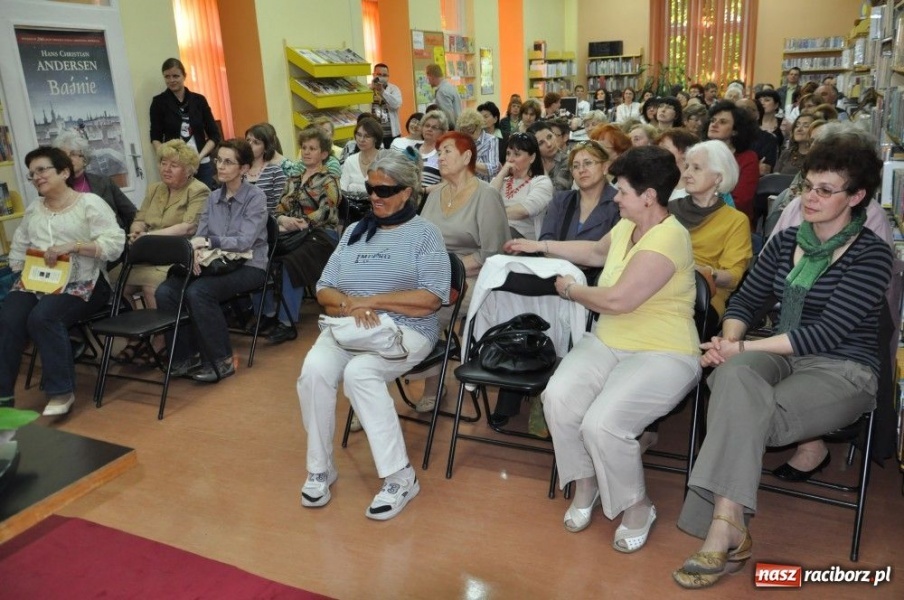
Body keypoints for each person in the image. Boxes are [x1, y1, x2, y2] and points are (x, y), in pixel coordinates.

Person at [672, 131, 892, 590]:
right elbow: (744, 302)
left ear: (857, 197)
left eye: (825, 190)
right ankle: (728, 522)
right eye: (807, 186)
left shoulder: (873, 254)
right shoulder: (786, 238)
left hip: (842, 367)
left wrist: (740, 349)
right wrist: (727, 338)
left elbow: (827, 332)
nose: (810, 197)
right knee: (734, 379)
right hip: (778, 351)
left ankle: (722, 524)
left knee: (740, 401)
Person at [505, 146, 701, 553]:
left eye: (623, 191)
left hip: (663, 352)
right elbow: (595, 251)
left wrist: (571, 290)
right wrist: (540, 247)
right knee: (558, 398)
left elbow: (617, 301)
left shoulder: (669, 237)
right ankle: (586, 483)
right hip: (611, 341)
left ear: (649, 196)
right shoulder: (629, 226)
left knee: (603, 423)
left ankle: (637, 506)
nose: (615, 198)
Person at [297, 151, 450, 520]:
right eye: (370, 188)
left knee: (359, 374)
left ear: (408, 192)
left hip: (406, 330)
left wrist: (375, 301)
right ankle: (320, 468)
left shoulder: (425, 234)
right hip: (350, 326)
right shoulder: (355, 231)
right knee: (314, 372)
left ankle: (400, 477)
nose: (375, 196)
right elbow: (324, 289)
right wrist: (352, 305)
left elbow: (431, 299)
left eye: (385, 189)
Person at [0, 147, 125, 415]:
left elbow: (114, 244)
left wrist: (75, 246)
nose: (36, 177)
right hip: (39, 281)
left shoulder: (89, 203)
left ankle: (61, 392)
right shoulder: (35, 208)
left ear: (64, 172)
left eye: (42, 169)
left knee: (43, 317)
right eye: (32, 173)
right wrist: (25, 269)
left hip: (85, 282)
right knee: (9, 315)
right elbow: (20, 246)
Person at [155, 140, 268, 383]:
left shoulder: (255, 198)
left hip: (250, 265)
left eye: (229, 162)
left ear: (244, 168)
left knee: (199, 292)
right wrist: (195, 252)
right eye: (219, 160)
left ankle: (221, 359)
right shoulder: (213, 197)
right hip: (215, 263)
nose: (221, 166)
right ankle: (186, 356)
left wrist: (209, 243)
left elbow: (244, 241)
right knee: (166, 291)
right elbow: (200, 235)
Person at [415, 131, 510, 412]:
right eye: (439, 152)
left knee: (426, 310)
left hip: (472, 277)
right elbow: (420, 239)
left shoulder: (486, 195)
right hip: (432, 275)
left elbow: (492, 253)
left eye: (447, 151)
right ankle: (374, 385)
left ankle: (431, 383)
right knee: (393, 304)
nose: (440, 157)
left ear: (467, 156)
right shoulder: (435, 196)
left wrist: (445, 269)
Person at [113, 140, 210, 362]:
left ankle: (161, 340)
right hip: (148, 255)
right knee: (117, 283)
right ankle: (138, 338)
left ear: (188, 170)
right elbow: (140, 218)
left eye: (173, 165)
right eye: (163, 163)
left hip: (177, 255)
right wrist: (137, 231)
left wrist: (149, 238)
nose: (166, 169)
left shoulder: (198, 190)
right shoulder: (154, 189)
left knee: (151, 287)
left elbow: (189, 226)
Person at [265, 127, 341, 344]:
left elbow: (328, 209)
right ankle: (267, 314)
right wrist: (283, 220)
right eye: (304, 148)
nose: (307, 152)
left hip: (322, 235)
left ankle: (286, 323)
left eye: (313, 149)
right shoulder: (293, 178)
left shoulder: (329, 179)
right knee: (262, 255)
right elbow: (279, 207)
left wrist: (304, 223)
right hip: (292, 232)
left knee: (291, 262)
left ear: (324, 154)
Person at [670, 140, 753, 316]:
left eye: (696, 168)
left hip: (703, 299)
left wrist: (704, 272)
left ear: (719, 177)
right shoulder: (667, 209)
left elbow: (734, 276)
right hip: (658, 287)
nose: (686, 174)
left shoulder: (735, 221)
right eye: (687, 167)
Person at [149, 58, 221, 189]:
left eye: (176, 76)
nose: (171, 80)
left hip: (202, 163)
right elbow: (155, 137)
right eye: (167, 76)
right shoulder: (158, 102)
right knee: (181, 204)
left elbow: (215, 135)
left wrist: (199, 158)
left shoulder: (199, 100)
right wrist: (168, 160)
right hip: (176, 167)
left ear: (184, 75)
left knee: (205, 203)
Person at [539, 140, 620, 249]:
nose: (581, 170)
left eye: (588, 163)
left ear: (605, 167)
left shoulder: (618, 203)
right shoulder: (561, 200)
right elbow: (545, 241)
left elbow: (616, 250)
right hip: (558, 263)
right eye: (576, 166)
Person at [52, 131, 136, 236]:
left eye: (73, 154)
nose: (68, 159)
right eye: (64, 156)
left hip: (112, 240)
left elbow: (132, 213)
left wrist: (134, 232)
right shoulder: (54, 189)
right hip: (75, 245)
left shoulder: (104, 182)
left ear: (84, 159)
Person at [705, 100, 760, 226]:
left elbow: (741, 201)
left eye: (723, 122)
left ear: (735, 130)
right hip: (697, 217)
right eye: (713, 120)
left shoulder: (748, 158)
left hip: (732, 223)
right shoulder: (699, 153)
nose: (714, 124)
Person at [491, 132, 554, 240]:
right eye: (508, 153)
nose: (510, 159)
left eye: (517, 154)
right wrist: (501, 173)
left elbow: (524, 211)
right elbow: (486, 201)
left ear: (532, 157)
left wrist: (491, 215)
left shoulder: (541, 182)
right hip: (494, 229)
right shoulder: (500, 181)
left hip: (523, 239)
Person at [245, 123, 288, 213]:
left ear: (265, 148)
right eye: (248, 140)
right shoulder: (239, 170)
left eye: (256, 142)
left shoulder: (275, 171)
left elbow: (280, 206)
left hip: (267, 222)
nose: (250, 145)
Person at [340, 117, 386, 199]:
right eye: (359, 135)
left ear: (375, 138)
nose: (361, 139)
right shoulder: (350, 160)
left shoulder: (384, 160)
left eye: (367, 136)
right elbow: (342, 189)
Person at [528, 121, 572, 192]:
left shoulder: (567, 160)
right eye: (541, 143)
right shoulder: (531, 163)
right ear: (534, 148)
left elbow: (557, 193)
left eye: (549, 137)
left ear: (554, 135)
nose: (549, 144)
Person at [457, 109, 500, 182]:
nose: (468, 136)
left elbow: (493, 168)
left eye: (470, 131)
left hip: (485, 186)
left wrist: (469, 162)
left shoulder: (491, 140)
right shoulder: (461, 141)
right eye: (464, 132)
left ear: (479, 126)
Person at [416, 110, 449, 196]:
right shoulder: (413, 149)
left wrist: (423, 191)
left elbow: (447, 184)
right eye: (427, 126)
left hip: (431, 199)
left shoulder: (444, 153)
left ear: (443, 132)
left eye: (434, 127)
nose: (429, 129)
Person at [370, 63, 403, 148]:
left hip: (391, 134)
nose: (382, 77)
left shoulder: (394, 89)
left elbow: (396, 104)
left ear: (388, 76)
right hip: (373, 134)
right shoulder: (368, 90)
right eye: (379, 74)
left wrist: (382, 91)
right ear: (374, 75)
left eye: (385, 75)